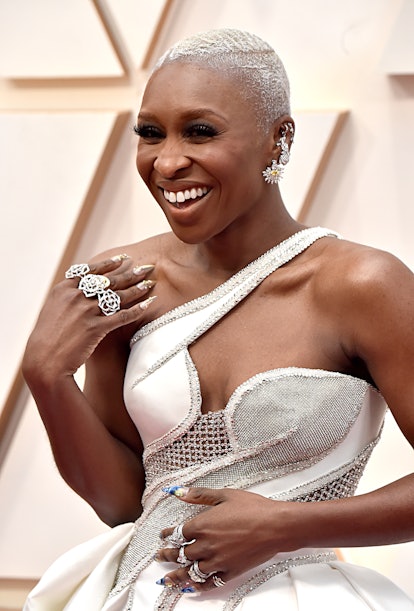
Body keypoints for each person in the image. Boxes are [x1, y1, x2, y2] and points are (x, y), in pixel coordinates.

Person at [22, 28, 414, 611]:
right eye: (150, 134)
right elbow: (124, 504)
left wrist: (288, 526)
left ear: (276, 140)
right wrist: (45, 376)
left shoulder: (363, 285)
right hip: (140, 593)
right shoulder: (130, 284)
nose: (169, 161)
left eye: (200, 132)